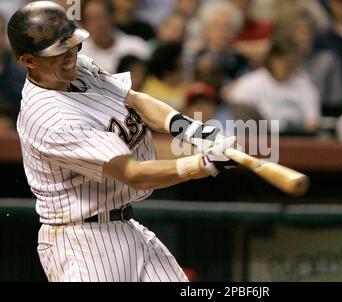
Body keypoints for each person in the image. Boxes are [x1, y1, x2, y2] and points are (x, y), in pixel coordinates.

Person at [8, 1, 236, 282]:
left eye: (72, 46)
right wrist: (203, 165)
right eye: (58, 52)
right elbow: (133, 174)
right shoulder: (50, 118)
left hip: (124, 225)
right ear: (28, 61)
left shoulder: (78, 69)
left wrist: (192, 131)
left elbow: (136, 100)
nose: (70, 57)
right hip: (82, 242)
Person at [227, 40, 320, 135]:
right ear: (272, 60)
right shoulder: (250, 83)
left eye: (293, 62)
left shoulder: (304, 84)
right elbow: (239, 113)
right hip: (262, 138)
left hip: (296, 138)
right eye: (285, 61)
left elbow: (312, 122)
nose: (288, 66)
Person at [79, 0, 150, 73]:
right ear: (83, 25)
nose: (100, 25)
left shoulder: (137, 47)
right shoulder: (78, 54)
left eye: (103, 17)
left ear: (112, 17)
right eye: (93, 19)